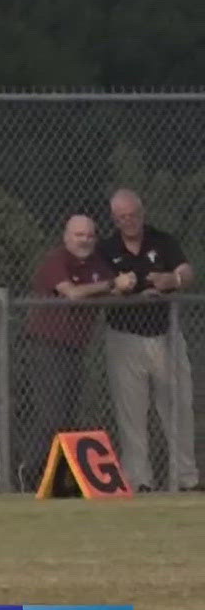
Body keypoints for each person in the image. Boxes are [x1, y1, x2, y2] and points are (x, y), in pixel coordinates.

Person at [97, 189, 196, 492]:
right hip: (125, 338)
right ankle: (139, 480)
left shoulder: (162, 240)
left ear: (143, 212)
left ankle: (185, 479)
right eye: (122, 217)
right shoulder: (106, 248)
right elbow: (98, 287)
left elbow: (186, 269)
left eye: (134, 215)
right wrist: (120, 289)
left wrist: (172, 280)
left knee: (178, 407)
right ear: (114, 219)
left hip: (166, 334)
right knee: (132, 413)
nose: (130, 221)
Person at [18, 215, 116, 485]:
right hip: (48, 346)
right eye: (78, 235)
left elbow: (114, 289)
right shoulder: (56, 260)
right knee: (53, 414)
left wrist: (128, 287)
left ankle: (58, 478)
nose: (84, 240)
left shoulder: (96, 264)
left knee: (70, 414)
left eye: (89, 235)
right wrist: (109, 285)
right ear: (66, 236)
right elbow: (71, 293)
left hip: (75, 348)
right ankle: (31, 471)